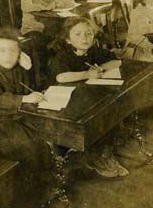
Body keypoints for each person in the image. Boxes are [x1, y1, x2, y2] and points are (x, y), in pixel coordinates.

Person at [0, 27, 51, 208]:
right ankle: (23, 199)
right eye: (2, 51)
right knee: (26, 145)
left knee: (44, 136)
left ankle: (38, 188)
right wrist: (24, 99)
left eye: (13, 51)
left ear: (19, 53)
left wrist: (29, 70)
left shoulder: (18, 68)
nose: (8, 56)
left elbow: (27, 88)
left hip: (13, 116)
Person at [48, 16, 127, 178]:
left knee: (107, 107)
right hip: (66, 101)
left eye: (88, 33)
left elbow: (117, 62)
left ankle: (103, 153)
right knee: (94, 115)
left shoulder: (93, 51)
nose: (84, 38)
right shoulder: (63, 56)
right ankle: (95, 156)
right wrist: (87, 74)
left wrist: (100, 69)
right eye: (77, 34)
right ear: (68, 39)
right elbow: (61, 77)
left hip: (86, 96)